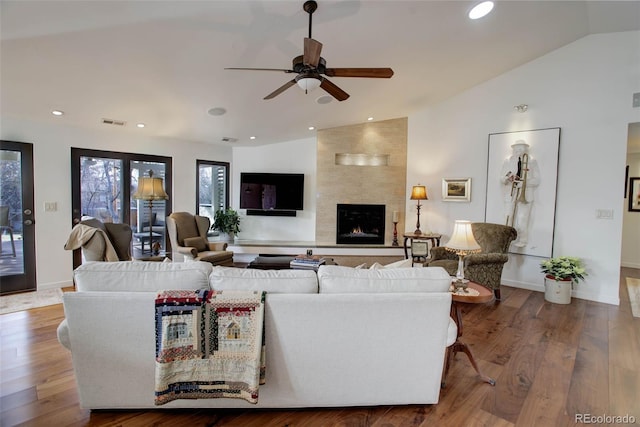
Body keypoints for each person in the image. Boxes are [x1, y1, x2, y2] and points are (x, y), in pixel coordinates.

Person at [499, 141, 540, 247]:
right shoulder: (507, 161)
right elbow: (502, 179)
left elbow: (537, 180)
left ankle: (523, 240)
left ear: (526, 149)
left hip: (525, 193)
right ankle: (506, 238)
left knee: (522, 218)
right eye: (516, 149)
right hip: (510, 193)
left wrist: (524, 183)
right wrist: (508, 178)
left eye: (521, 149)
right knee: (508, 215)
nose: (518, 151)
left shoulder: (532, 161)